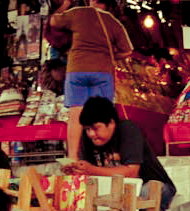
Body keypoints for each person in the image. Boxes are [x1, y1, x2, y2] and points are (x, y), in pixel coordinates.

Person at [49, 0, 133, 161]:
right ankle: (107, 156)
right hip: (101, 72)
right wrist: (109, 55)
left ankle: (73, 158)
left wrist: (65, 4)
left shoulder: (77, 13)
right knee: (101, 115)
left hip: (77, 71)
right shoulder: (112, 22)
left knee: (75, 116)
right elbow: (127, 51)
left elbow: (54, 21)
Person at [67, 96, 176, 211]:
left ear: (111, 123)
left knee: (141, 194)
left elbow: (132, 172)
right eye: (88, 129)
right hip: (114, 191)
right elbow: (87, 173)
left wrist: (91, 169)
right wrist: (76, 170)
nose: (92, 134)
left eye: (96, 128)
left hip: (152, 186)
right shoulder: (87, 138)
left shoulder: (128, 130)